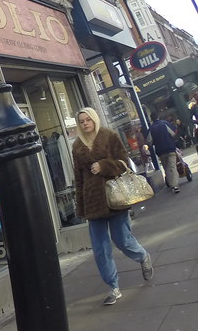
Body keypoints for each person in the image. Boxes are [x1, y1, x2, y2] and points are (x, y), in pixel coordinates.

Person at [72, 107, 153, 306]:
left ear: (94, 119)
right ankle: (113, 287)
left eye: (88, 119)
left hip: (115, 197)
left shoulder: (109, 136)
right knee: (100, 248)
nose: (85, 124)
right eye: (81, 121)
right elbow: (79, 178)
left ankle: (143, 256)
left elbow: (124, 163)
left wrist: (104, 166)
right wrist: (81, 207)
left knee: (122, 240)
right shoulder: (77, 146)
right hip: (93, 202)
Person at [147, 115, 180, 193]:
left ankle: (171, 184)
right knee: (172, 167)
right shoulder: (165, 123)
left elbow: (149, 141)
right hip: (170, 148)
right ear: (158, 117)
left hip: (160, 151)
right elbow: (173, 133)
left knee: (166, 168)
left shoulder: (151, 128)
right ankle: (175, 185)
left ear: (151, 119)